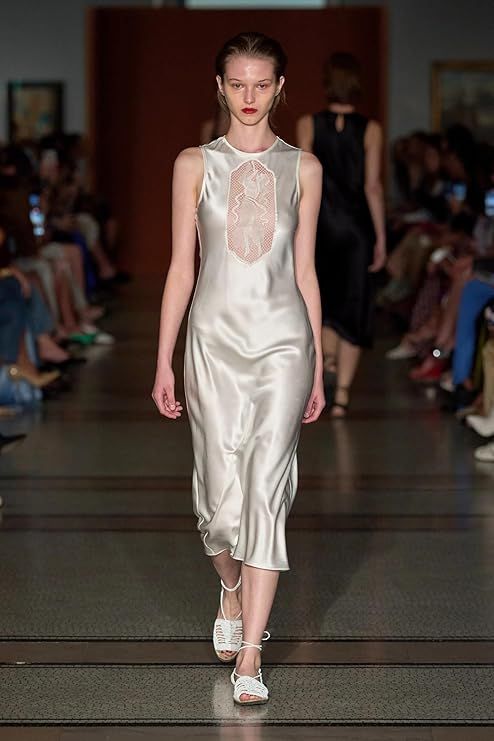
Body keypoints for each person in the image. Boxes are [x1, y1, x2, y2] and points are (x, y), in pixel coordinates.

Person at [152, 31, 324, 705]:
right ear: (219, 87)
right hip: (213, 343)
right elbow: (180, 268)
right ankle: (228, 585)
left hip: (283, 343)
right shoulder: (193, 164)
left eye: (261, 83)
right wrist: (163, 360)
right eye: (237, 83)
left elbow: (305, 272)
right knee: (218, 506)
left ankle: (251, 651)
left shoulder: (305, 168)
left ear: (280, 88)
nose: (249, 96)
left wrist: (317, 367)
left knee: (265, 494)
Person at [297, 52, 386, 416]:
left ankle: (327, 361)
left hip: (319, 227)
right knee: (354, 303)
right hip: (356, 229)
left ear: (327, 82)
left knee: (322, 300)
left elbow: (303, 182)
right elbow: (373, 187)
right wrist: (381, 237)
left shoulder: (307, 124)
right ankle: (344, 395)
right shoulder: (371, 129)